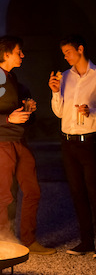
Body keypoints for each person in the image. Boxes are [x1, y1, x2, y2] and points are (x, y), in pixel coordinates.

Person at [0, 35, 55, 255]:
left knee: (32, 191)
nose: (23, 55)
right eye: (19, 51)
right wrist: (8, 119)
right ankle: (2, 242)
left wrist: (28, 111)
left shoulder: (14, 79)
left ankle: (29, 240)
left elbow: (22, 117)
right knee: (3, 194)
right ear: (6, 54)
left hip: (19, 141)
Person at [49, 34, 96, 256]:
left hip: (90, 141)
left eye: (68, 52)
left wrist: (91, 112)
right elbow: (59, 112)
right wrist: (55, 91)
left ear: (80, 49)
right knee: (77, 193)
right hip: (68, 142)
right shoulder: (65, 77)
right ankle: (86, 242)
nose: (65, 56)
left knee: (94, 192)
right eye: (63, 53)